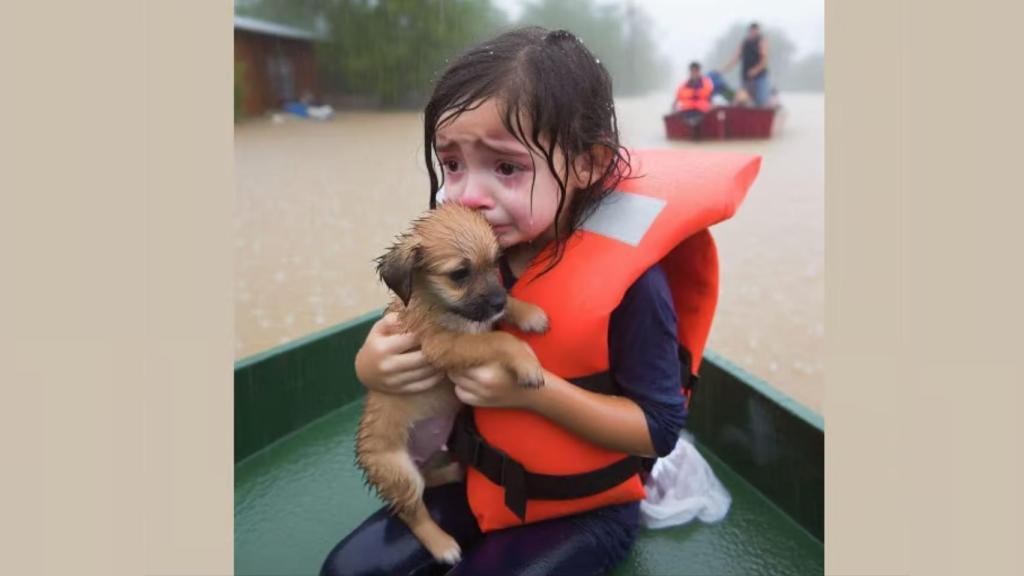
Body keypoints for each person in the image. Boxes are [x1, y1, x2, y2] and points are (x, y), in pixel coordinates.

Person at [320, 26, 745, 576]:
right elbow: (414, 326)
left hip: (584, 508)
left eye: (505, 167)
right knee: (345, 572)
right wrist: (371, 365)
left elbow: (659, 430)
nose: (469, 194)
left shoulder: (636, 287)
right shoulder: (471, 247)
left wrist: (533, 394)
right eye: (451, 164)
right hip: (476, 478)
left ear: (588, 164)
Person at [721, 22, 772, 107]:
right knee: (741, 101)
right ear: (749, 31)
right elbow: (736, 58)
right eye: (752, 30)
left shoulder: (762, 41)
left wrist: (756, 70)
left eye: (755, 30)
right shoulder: (745, 42)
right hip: (746, 78)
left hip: (760, 77)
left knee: (761, 101)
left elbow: (764, 60)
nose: (753, 32)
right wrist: (724, 69)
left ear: (758, 31)